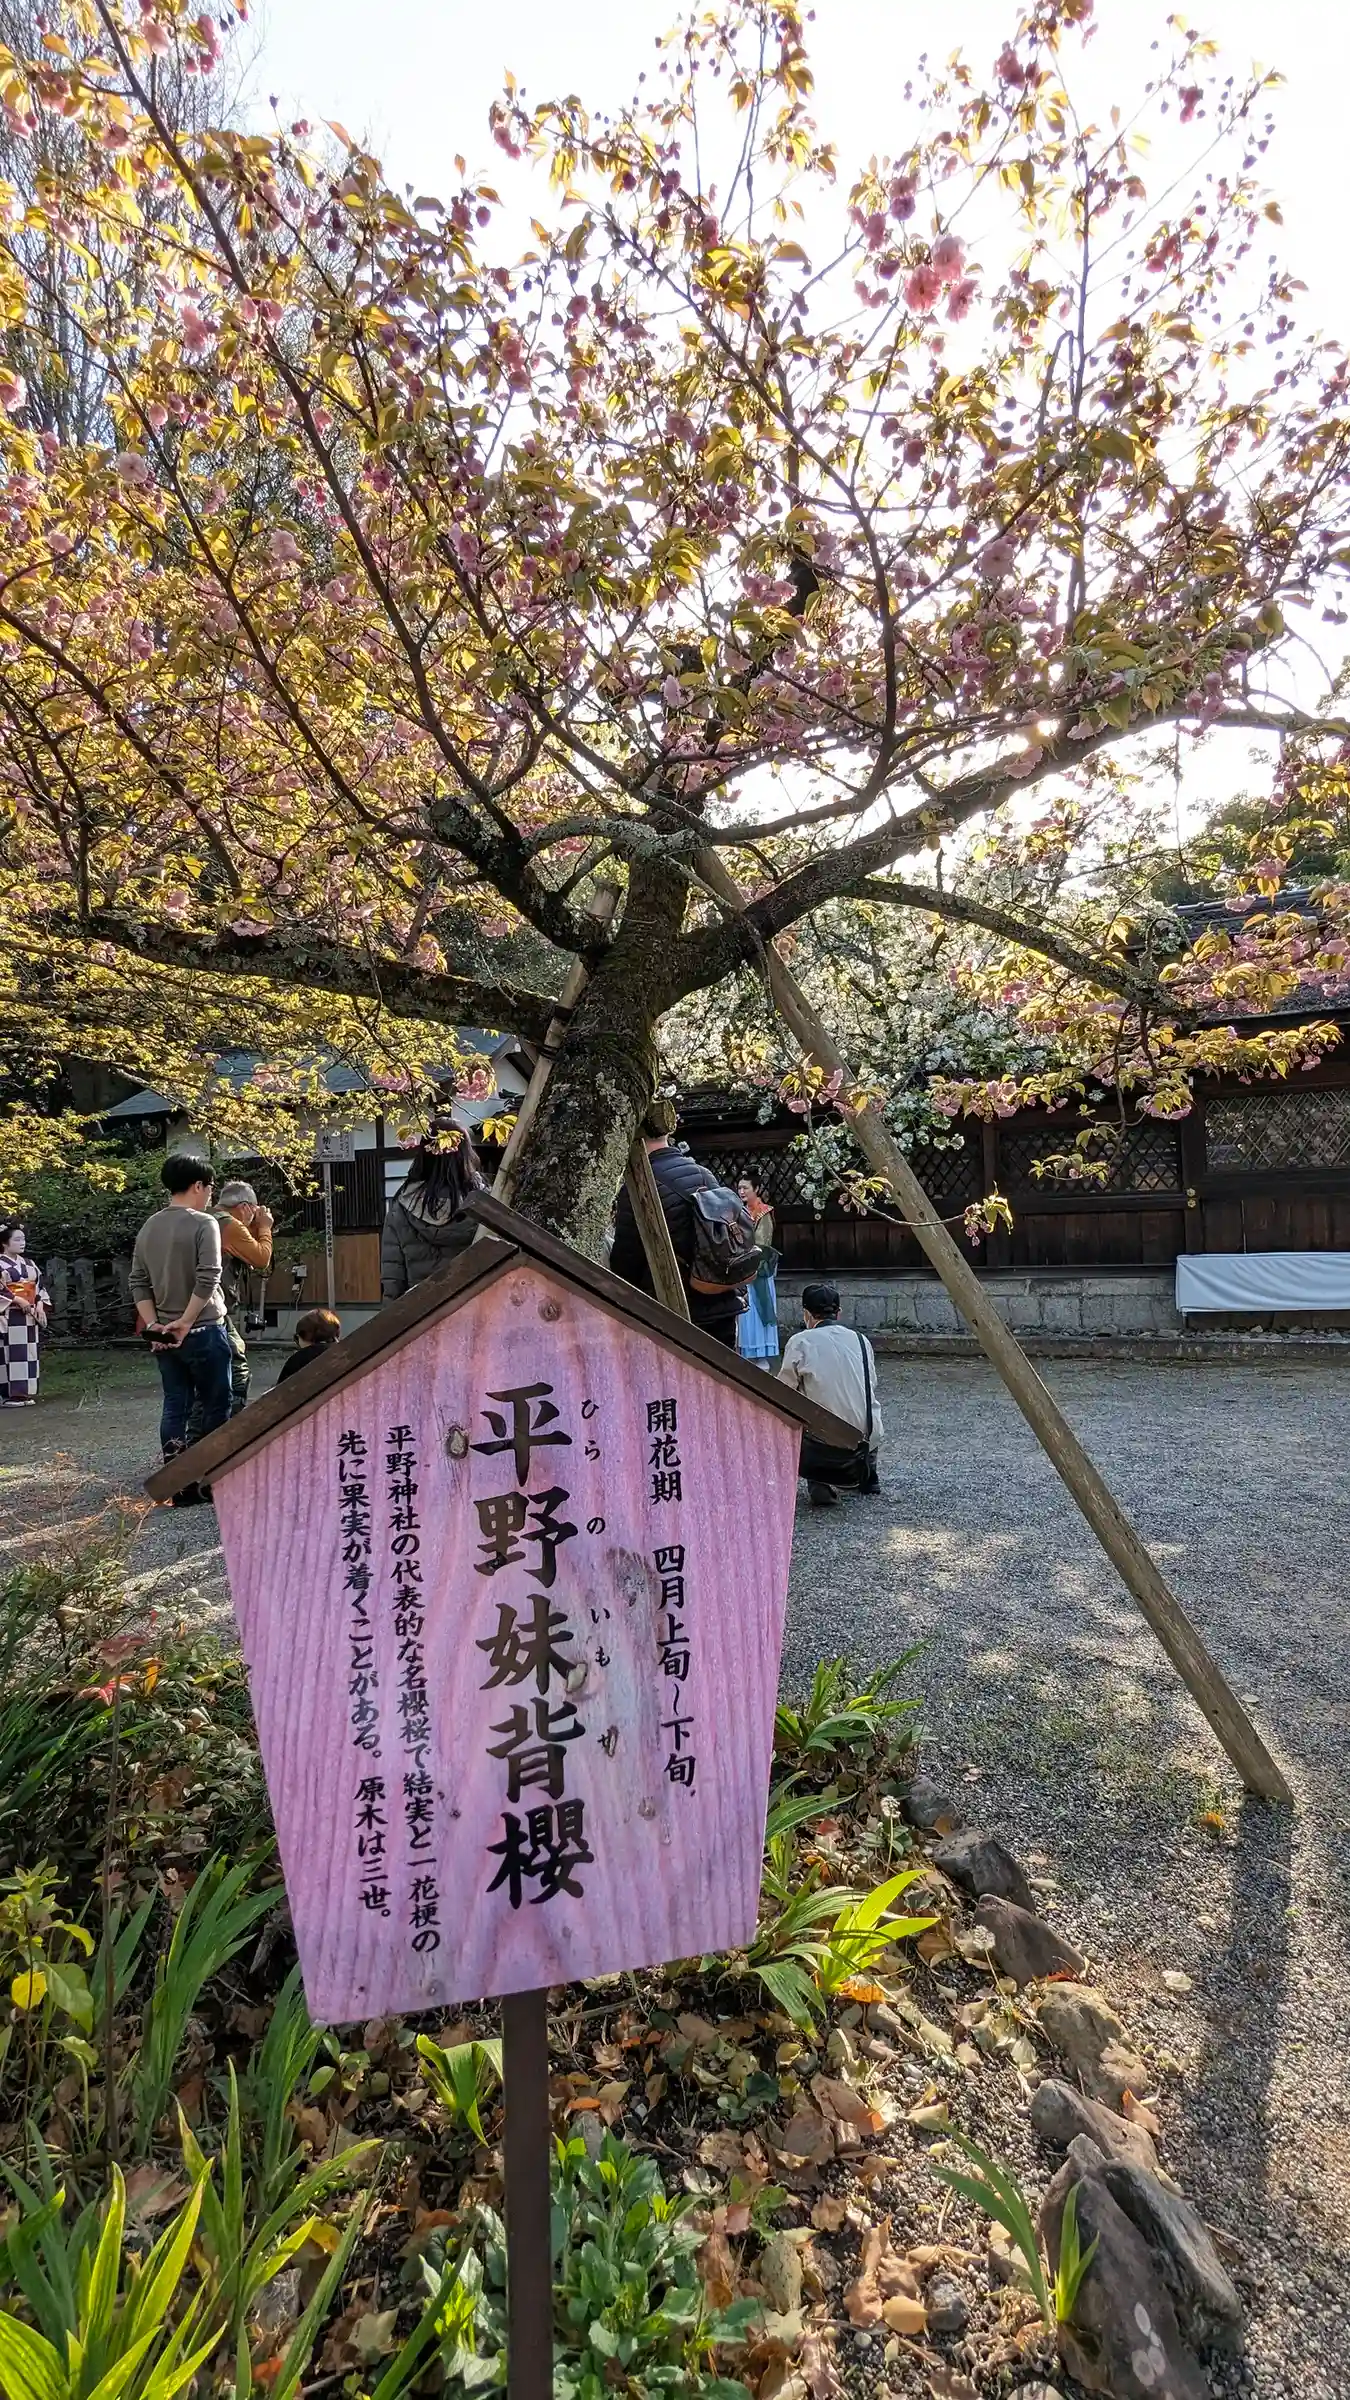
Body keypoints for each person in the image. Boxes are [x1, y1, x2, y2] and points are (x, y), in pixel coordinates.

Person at [129, 1154, 231, 1500]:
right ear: (198, 1185)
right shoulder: (204, 1223)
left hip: (165, 1336)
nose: (211, 1193)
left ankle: (179, 1486)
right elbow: (209, 1277)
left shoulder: (149, 1226)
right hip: (203, 1328)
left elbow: (138, 1281)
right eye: (210, 1187)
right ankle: (212, 1481)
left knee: (176, 1406)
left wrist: (155, 1324)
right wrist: (186, 1321)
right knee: (216, 1406)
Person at [609, 1101, 746, 1348]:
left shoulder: (637, 1187)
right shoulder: (703, 1174)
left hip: (673, 1308)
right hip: (721, 1300)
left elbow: (625, 1260)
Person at [778, 1280, 882, 1507]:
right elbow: (871, 1383)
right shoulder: (861, 1340)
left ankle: (820, 1480)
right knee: (862, 1405)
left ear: (806, 1314)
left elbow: (783, 1391)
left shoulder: (800, 1341)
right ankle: (868, 1471)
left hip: (824, 1441)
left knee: (795, 1408)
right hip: (866, 1435)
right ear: (839, 1313)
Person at [192, 1179, 274, 1422]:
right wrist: (265, 1228)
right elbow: (261, 1259)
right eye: (254, 1210)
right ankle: (229, 1431)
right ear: (245, 1207)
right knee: (237, 1373)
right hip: (212, 1309)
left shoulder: (205, 1218)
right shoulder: (229, 1224)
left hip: (191, 1307)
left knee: (200, 1382)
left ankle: (193, 1437)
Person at [381, 1116, 482, 1298]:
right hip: (476, 1307)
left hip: (421, 1309)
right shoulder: (486, 1205)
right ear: (466, 1155)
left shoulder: (401, 1207)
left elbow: (393, 1282)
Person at [0, 1222, 50, 1406]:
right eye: (17, 1240)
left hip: (29, 1315)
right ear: (5, 1243)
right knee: (9, 1353)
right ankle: (9, 1395)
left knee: (29, 1353)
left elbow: (39, 1287)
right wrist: (16, 1299)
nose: (22, 1243)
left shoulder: (29, 1264)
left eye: (23, 1239)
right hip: (8, 1315)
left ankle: (25, 1393)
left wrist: (39, 1304)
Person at [735, 1174, 779, 1365]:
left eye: (745, 1188)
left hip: (758, 1269)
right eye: (739, 1188)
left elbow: (762, 1244)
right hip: (741, 1268)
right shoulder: (740, 1211)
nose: (741, 1191)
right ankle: (746, 1354)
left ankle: (761, 1356)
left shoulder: (764, 1212)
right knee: (744, 1315)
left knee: (758, 1312)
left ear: (757, 1189)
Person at [275, 1305, 342, 1384]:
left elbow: (281, 1388)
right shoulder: (343, 1352)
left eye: (297, 1338)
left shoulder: (298, 1360)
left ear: (304, 1336)